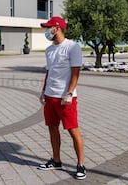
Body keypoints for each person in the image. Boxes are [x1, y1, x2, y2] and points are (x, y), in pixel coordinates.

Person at [37, 16, 86, 180]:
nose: (46, 30)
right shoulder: (49, 50)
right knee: (52, 128)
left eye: (48, 27)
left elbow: (75, 72)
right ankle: (56, 160)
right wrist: (43, 91)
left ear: (57, 28)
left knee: (73, 131)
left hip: (65, 98)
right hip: (50, 97)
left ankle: (80, 165)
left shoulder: (72, 47)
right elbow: (49, 72)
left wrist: (70, 93)